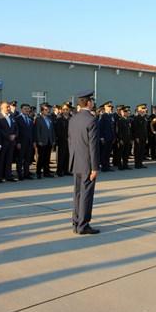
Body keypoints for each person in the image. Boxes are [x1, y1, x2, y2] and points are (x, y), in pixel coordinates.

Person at [68, 90, 100, 235]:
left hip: (76, 161)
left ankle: (76, 222)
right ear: (88, 102)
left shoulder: (73, 118)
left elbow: (70, 141)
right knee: (86, 194)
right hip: (87, 163)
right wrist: (95, 167)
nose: (93, 103)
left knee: (78, 194)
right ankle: (83, 225)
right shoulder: (91, 120)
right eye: (92, 101)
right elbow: (93, 146)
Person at [0, 101, 18, 182]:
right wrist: (8, 136)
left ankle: (8, 176)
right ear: (1, 108)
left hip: (11, 142)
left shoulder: (11, 116)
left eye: (9, 107)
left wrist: (14, 135)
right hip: (3, 142)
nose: (8, 108)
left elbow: (16, 128)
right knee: (1, 160)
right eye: (6, 107)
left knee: (9, 159)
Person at [34, 103, 56, 178]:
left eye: (48, 109)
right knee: (41, 158)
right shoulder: (38, 119)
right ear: (42, 111)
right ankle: (38, 172)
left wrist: (53, 140)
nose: (48, 111)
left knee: (47, 157)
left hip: (49, 141)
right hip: (42, 141)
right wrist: (39, 140)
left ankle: (46, 172)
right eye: (46, 110)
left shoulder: (50, 119)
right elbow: (37, 131)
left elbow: (52, 130)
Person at [15, 103, 35, 180]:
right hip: (21, 142)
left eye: (28, 109)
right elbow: (17, 131)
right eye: (25, 109)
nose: (27, 110)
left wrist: (33, 141)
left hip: (29, 142)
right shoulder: (17, 118)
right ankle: (20, 174)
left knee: (28, 159)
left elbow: (32, 131)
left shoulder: (30, 118)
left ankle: (26, 174)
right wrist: (18, 142)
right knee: (20, 159)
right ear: (21, 109)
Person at [98, 101, 116, 171]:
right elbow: (100, 127)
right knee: (104, 152)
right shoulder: (103, 116)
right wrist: (101, 137)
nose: (110, 108)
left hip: (110, 137)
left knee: (108, 152)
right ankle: (104, 166)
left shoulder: (111, 116)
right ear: (105, 107)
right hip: (105, 137)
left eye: (111, 107)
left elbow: (112, 127)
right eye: (109, 106)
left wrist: (113, 136)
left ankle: (107, 165)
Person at [55, 103, 72, 176]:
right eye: (64, 109)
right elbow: (57, 131)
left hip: (70, 140)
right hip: (62, 140)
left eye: (67, 109)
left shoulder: (72, 118)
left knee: (68, 156)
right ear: (62, 110)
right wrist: (62, 138)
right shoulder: (59, 119)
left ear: (69, 110)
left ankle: (66, 170)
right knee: (61, 156)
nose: (65, 111)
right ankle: (59, 171)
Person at [132, 104, 148, 169]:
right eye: (142, 108)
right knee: (137, 151)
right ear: (139, 110)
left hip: (143, 137)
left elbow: (145, 129)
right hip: (138, 137)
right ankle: (137, 164)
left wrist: (146, 137)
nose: (144, 110)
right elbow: (135, 129)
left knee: (142, 150)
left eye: (144, 109)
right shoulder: (136, 118)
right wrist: (136, 137)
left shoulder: (144, 118)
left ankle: (140, 163)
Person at [115, 106, 132, 170]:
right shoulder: (120, 120)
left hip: (127, 139)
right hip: (122, 139)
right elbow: (118, 131)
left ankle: (125, 165)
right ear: (122, 112)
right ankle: (119, 165)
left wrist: (130, 139)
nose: (127, 113)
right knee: (120, 153)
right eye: (125, 111)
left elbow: (130, 130)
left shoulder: (128, 120)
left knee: (126, 152)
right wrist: (120, 139)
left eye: (127, 111)